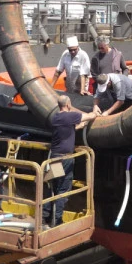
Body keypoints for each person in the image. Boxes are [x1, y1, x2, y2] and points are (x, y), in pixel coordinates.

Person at [42, 95, 98, 227]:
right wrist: (95, 112)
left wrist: (79, 126)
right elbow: (90, 116)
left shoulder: (56, 117)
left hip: (55, 157)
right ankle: (57, 220)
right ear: (68, 105)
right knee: (63, 189)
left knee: (52, 186)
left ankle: (45, 217)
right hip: (65, 159)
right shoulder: (70, 116)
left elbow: (67, 129)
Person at [90, 35, 129, 107]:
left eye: (102, 48)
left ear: (107, 45)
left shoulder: (118, 54)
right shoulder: (95, 58)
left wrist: (123, 79)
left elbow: (125, 69)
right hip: (102, 88)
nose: (100, 50)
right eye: (99, 48)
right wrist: (103, 81)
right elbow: (94, 74)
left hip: (116, 87)